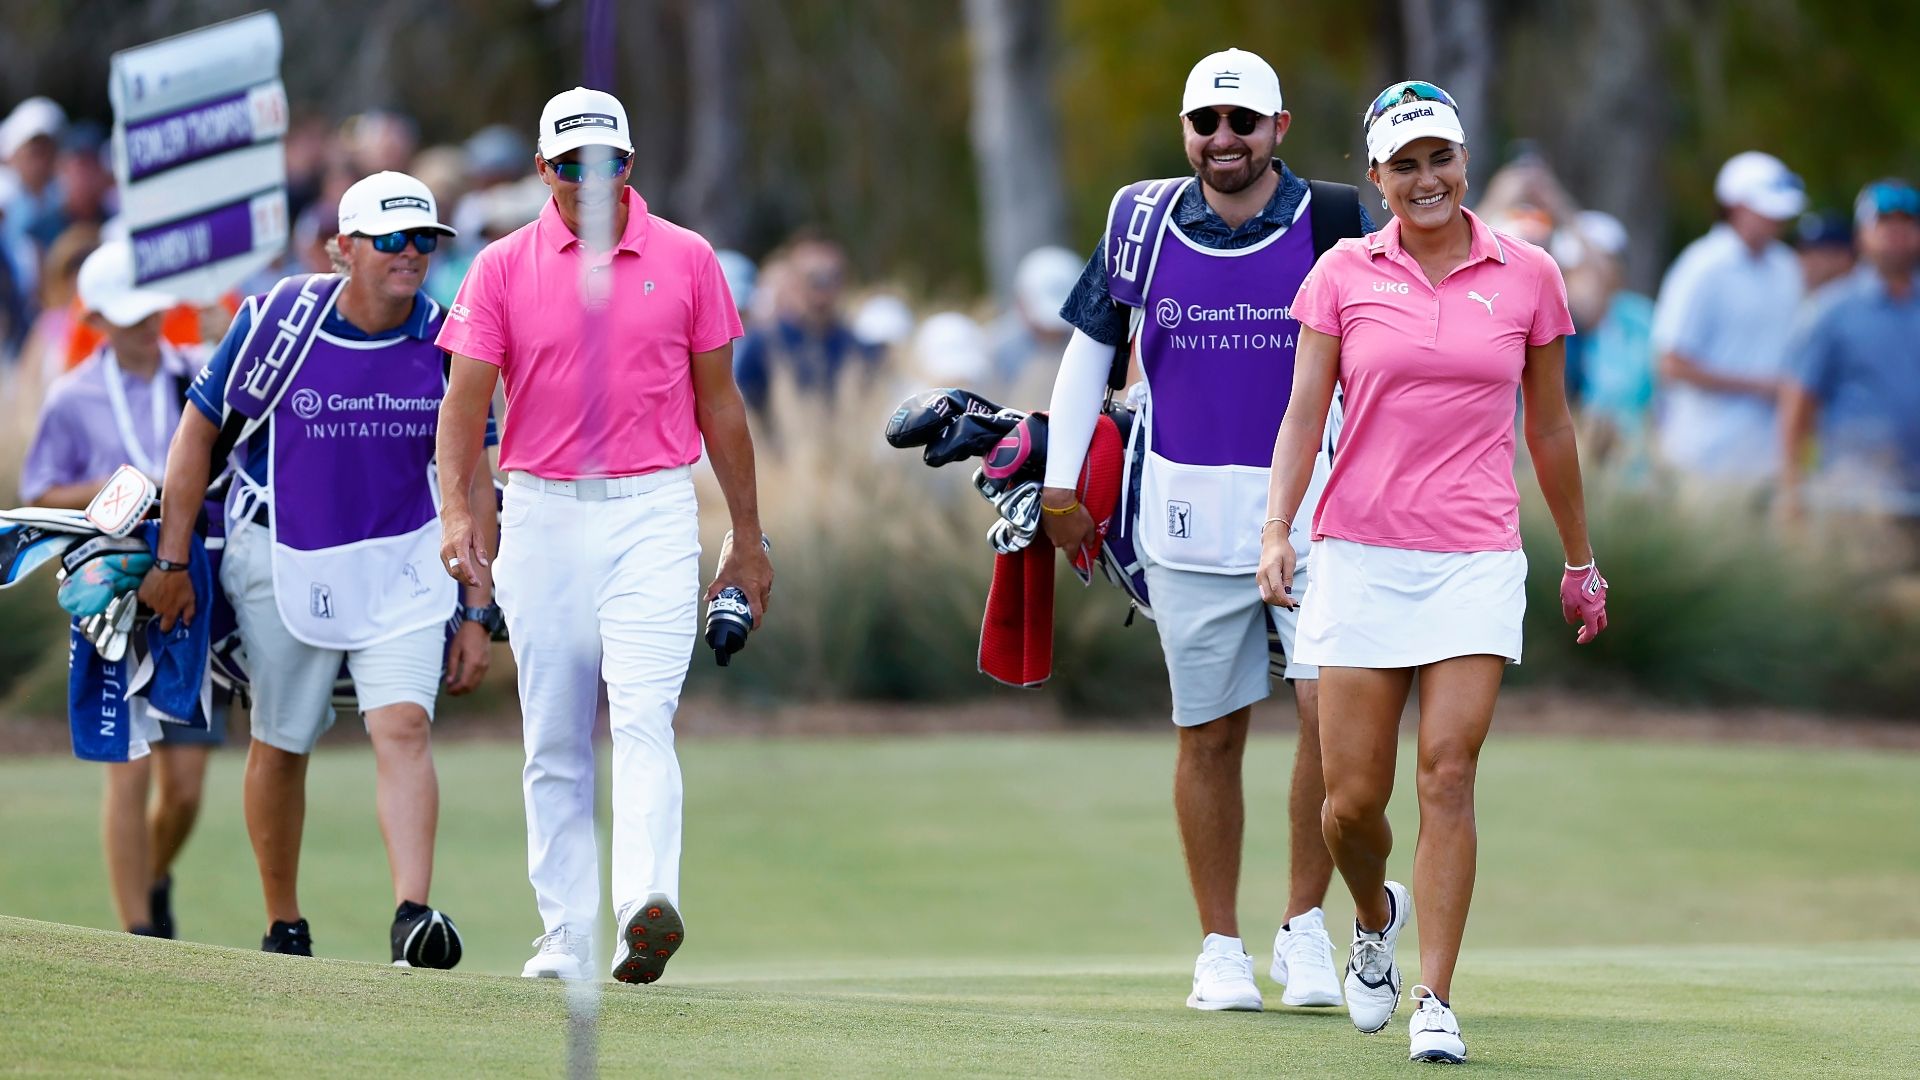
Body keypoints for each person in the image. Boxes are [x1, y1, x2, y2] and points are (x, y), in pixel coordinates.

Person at [1259, 80, 1608, 1064]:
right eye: (1404, 164)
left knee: (1447, 775)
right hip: (1360, 557)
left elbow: (1548, 426)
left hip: (1475, 559)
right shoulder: (1340, 272)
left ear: (1464, 161)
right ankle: (1373, 916)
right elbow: (1300, 415)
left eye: (1440, 159)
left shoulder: (1529, 273)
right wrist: (1275, 529)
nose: (1426, 180)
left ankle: (1435, 998)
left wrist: (1581, 560)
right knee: (1350, 803)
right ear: (1376, 178)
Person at [1040, 47, 1372, 1014]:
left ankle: (1306, 930)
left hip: (1316, 514)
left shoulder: (1340, 221)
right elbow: (1087, 356)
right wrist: (1063, 488)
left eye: (1242, 123)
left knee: (1328, 727)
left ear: (1279, 129)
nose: (1222, 141)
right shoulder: (1139, 221)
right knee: (1207, 734)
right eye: (1205, 123)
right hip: (1182, 515)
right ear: (1188, 129)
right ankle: (1220, 949)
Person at [434, 86, 770, 984]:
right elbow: (463, 405)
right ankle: (566, 931)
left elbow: (721, 404)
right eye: (572, 164)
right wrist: (460, 514)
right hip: (540, 512)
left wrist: (748, 535)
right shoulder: (501, 267)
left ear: (630, 165)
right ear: (544, 170)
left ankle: (642, 910)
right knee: (552, 732)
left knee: (644, 713)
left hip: (653, 509)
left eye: (608, 162)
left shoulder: (689, 259)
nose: (592, 179)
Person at [140, 171, 495, 968]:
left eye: (424, 241)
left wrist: (477, 607)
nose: (410, 256)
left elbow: (474, 478)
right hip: (282, 552)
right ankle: (284, 924)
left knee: (404, 726)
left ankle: (412, 916)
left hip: (402, 559)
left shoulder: (449, 339)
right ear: (343, 248)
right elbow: (195, 438)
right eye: (391, 239)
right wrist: (172, 553)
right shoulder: (274, 322)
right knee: (283, 740)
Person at [19, 240, 220, 940]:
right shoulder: (73, 395)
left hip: (190, 584)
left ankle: (152, 877)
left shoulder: (196, 374)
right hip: (108, 588)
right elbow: (41, 491)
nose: (144, 325)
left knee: (187, 785)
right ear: (96, 318)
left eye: (150, 311)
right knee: (127, 766)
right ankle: (139, 935)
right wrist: (130, 483)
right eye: (126, 315)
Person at [1650, 151, 1806, 489]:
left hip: (1769, 460)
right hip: (1704, 456)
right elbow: (1671, 363)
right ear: (1735, 206)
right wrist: (1758, 385)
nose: (1777, 220)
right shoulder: (1702, 267)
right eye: (1766, 209)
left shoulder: (1787, 268)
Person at [1779, 179, 1920, 533]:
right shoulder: (1832, 311)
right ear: (1862, 236)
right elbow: (1797, 403)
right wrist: (1792, 490)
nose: (1897, 235)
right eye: (1885, 225)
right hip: (1858, 500)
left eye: (1907, 225)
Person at [731, 231, 877, 416]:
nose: (823, 290)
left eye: (833, 277)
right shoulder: (763, 347)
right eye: (814, 279)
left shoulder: (858, 350)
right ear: (793, 282)